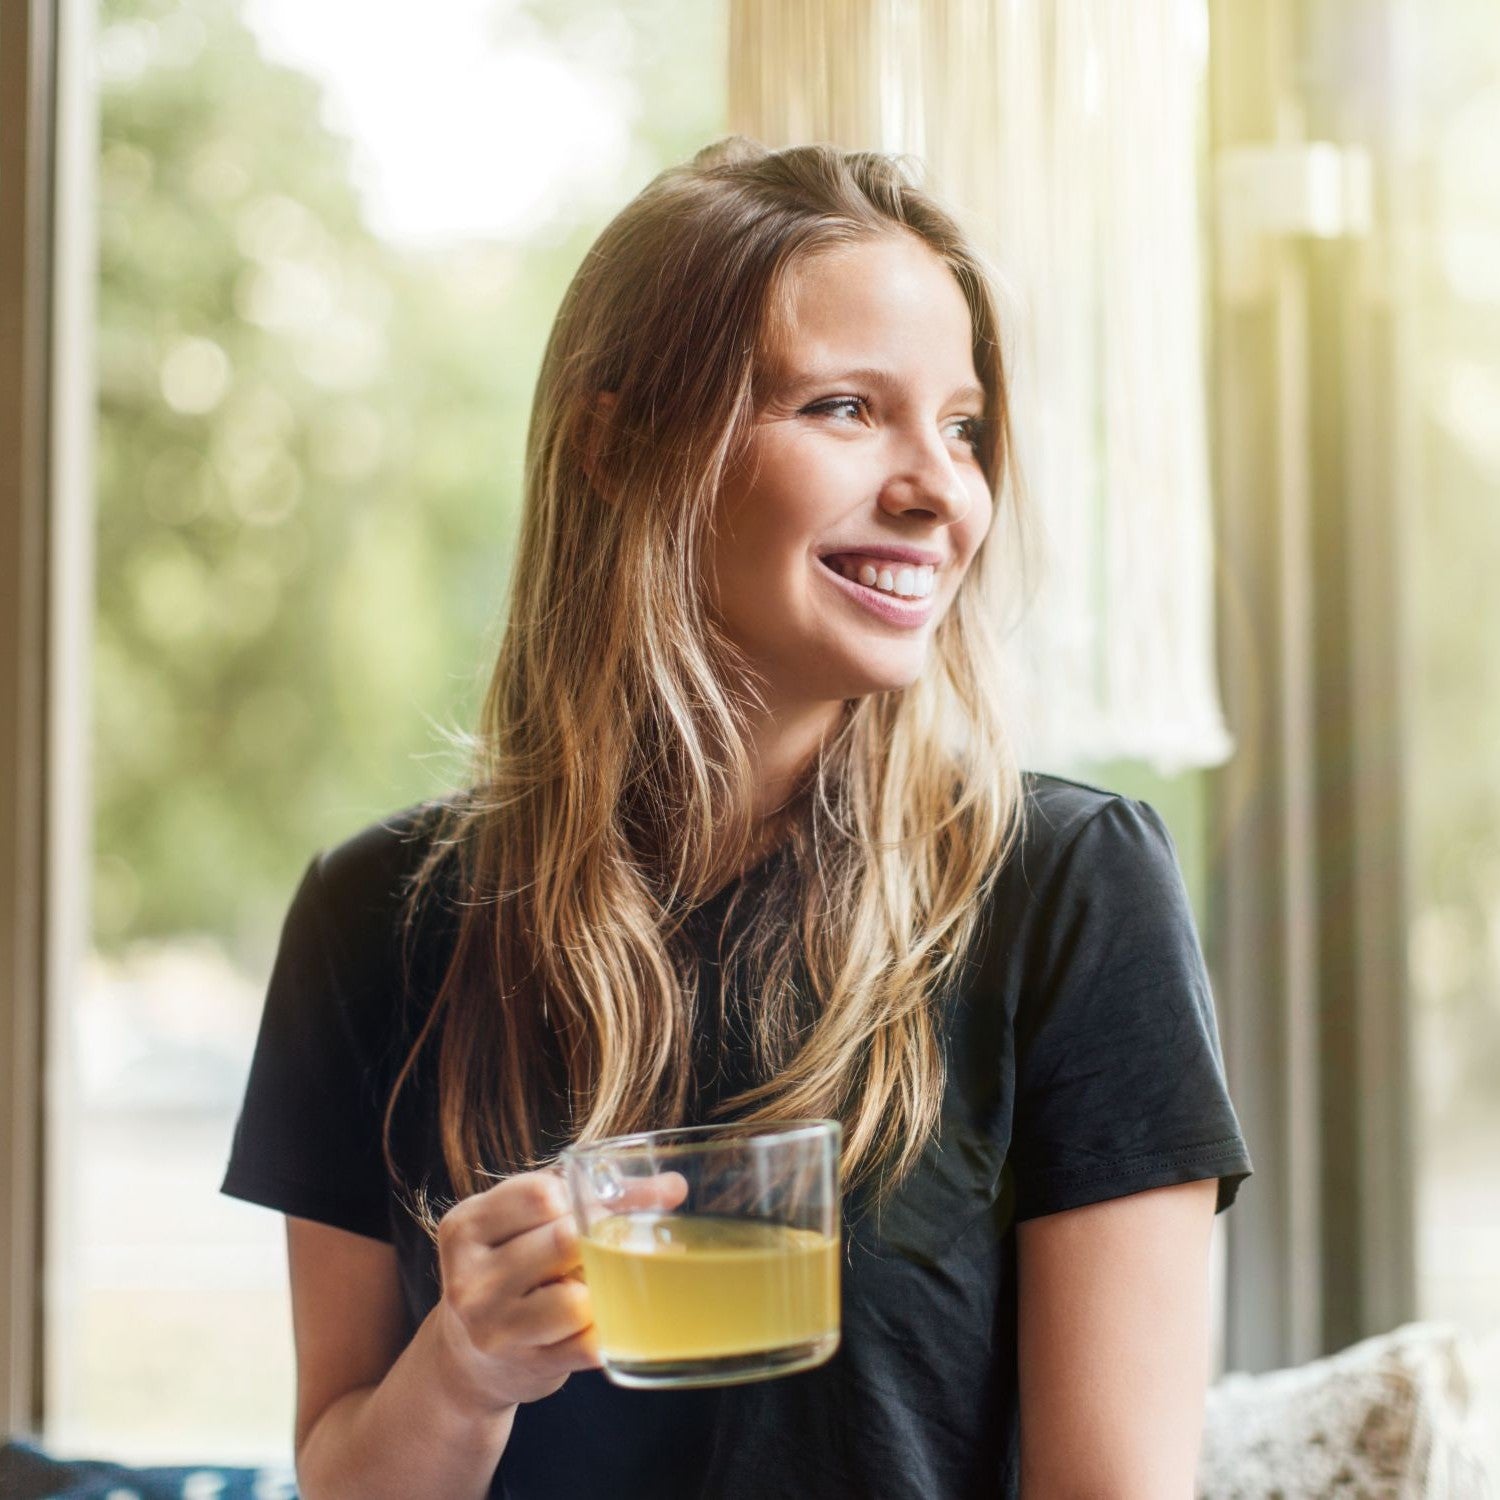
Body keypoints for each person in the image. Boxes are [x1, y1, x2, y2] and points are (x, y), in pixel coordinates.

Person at [221, 134, 1254, 1500]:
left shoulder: (1067, 889)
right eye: (846, 408)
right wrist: (461, 1371)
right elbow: (342, 1474)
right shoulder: (375, 918)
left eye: (961, 427)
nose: (941, 491)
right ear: (618, 447)